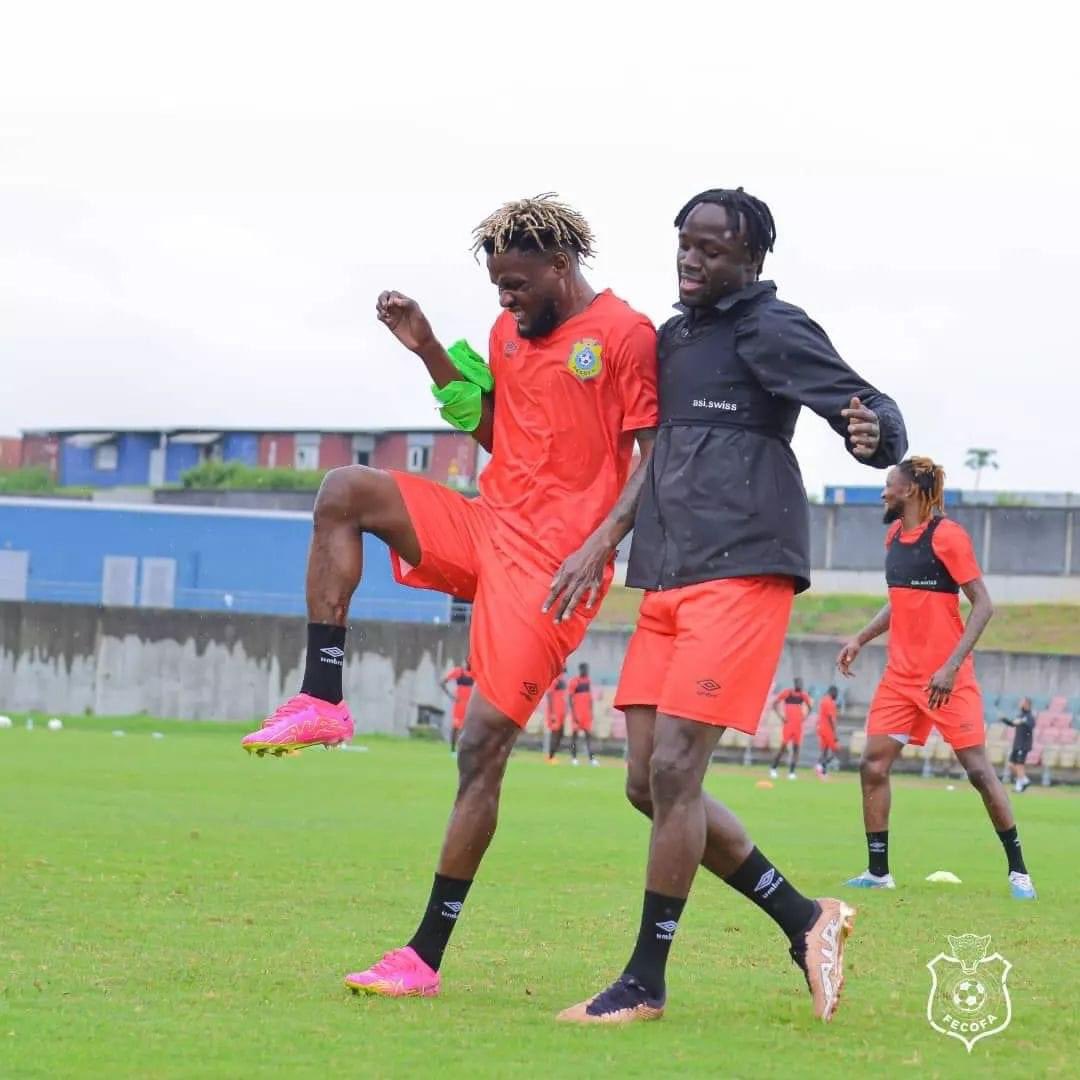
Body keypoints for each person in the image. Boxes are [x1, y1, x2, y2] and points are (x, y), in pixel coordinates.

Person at [240, 194, 659, 997]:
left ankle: (423, 956)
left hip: (554, 568)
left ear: (562, 268)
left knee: (480, 750)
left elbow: (651, 460)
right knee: (344, 490)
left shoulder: (625, 335)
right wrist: (430, 349)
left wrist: (600, 544)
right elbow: (506, 437)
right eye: (497, 285)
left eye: (517, 284)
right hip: (487, 524)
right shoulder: (508, 335)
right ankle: (322, 698)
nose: (504, 301)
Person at [559, 187, 908, 1026]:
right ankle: (805, 918)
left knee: (680, 771)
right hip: (668, 570)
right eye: (685, 243)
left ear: (751, 260)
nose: (691, 258)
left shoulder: (773, 327)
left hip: (745, 567)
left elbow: (870, 408)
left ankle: (645, 981)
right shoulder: (673, 338)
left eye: (712, 248)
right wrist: (607, 536)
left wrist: (877, 439)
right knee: (647, 784)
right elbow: (657, 451)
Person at [838, 457, 1037, 901]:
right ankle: (878, 872)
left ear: (909, 491)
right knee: (872, 764)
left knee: (979, 772)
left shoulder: (948, 536)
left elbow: (983, 605)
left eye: (889, 486)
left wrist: (949, 667)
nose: (884, 494)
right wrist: (861, 638)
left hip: (948, 679)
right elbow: (901, 603)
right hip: (899, 680)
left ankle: (1019, 872)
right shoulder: (893, 536)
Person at [770, 679, 813, 780]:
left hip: (798, 726)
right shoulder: (787, 693)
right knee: (783, 747)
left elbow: (810, 707)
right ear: (795, 684)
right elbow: (774, 704)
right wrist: (781, 717)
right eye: (799, 683)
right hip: (788, 724)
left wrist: (804, 717)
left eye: (801, 684)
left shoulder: (803, 695)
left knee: (796, 748)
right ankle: (773, 768)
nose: (800, 685)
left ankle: (792, 772)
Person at [440, 659, 475, 755]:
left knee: (468, 728)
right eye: (468, 662)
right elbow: (442, 682)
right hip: (459, 703)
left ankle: (464, 749)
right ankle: (452, 750)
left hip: (470, 705)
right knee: (456, 727)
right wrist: (452, 696)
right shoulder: (458, 672)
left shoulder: (475, 674)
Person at [1001, 697, 1035, 793]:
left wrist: (1023, 722)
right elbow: (1013, 723)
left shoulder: (1029, 716)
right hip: (1017, 744)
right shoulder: (1020, 715)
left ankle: (1019, 786)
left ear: (1027, 704)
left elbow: (1031, 725)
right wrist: (1004, 719)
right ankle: (1024, 781)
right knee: (1011, 765)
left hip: (1023, 745)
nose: (1020, 704)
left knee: (1020, 765)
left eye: (1022, 702)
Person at [568, 662, 599, 766]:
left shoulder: (588, 681)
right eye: (585, 669)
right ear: (581, 670)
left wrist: (591, 712)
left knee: (588, 737)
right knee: (574, 737)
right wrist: (573, 714)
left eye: (587, 669)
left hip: (586, 715)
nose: (587, 671)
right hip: (577, 714)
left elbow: (590, 699)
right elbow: (569, 698)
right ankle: (573, 758)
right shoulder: (574, 681)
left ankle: (592, 759)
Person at [815, 686, 841, 779]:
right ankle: (820, 765)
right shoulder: (829, 702)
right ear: (832, 692)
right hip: (827, 729)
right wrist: (834, 734)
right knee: (836, 750)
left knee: (825, 751)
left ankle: (823, 772)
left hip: (822, 728)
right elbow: (830, 718)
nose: (837, 696)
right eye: (836, 693)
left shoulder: (824, 700)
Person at [545, 668, 569, 764]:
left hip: (561, 711)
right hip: (555, 712)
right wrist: (552, 713)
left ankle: (553, 754)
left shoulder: (562, 680)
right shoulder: (554, 680)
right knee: (554, 733)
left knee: (560, 733)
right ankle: (550, 757)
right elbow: (549, 695)